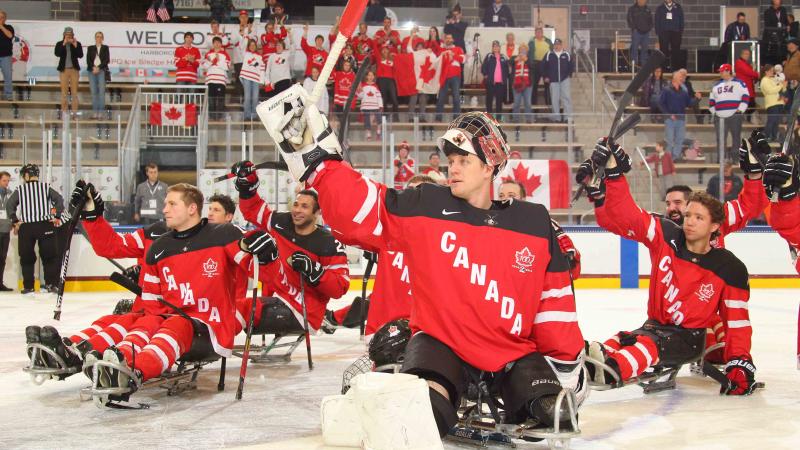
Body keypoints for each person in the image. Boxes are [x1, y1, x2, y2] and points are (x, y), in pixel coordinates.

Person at [259, 95, 587, 436]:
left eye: (464, 159)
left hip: (510, 351)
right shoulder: (427, 204)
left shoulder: (533, 221)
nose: (453, 168)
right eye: (451, 160)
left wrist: (562, 365)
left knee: (556, 416)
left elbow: (555, 304)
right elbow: (364, 206)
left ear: (489, 166)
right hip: (440, 344)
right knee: (422, 416)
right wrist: (321, 164)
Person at [578, 142, 757, 396]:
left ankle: (611, 368)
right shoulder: (666, 234)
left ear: (716, 225)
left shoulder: (729, 267)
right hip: (654, 325)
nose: (689, 222)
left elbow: (737, 322)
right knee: (625, 338)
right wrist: (613, 178)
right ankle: (590, 360)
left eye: (698, 218)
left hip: (688, 337)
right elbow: (627, 215)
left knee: (649, 347)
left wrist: (740, 362)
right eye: (688, 216)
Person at [96, 183, 276, 393]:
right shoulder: (158, 246)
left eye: (172, 204)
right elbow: (152, 304)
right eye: (165, 204)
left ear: (192, 209)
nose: (164, 210)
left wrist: (266, 255)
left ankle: (135, 370)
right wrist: (92, 218)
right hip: (174, 319)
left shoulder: (225, 234)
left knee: (176, 325)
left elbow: (259, 269)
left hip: (210, 325)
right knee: (143, 321)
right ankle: (119, 359)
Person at [232, 168, 350, 336]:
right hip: (279, 295)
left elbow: (340, 288)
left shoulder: (329, 242)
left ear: (317, 212)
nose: (297, 210)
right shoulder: (283, 222)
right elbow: (254, 211)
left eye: (304, 207)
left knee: (242, 309)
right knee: (234, 242)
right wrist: (247, 189)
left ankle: (211, 339)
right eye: (296, 204)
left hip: (304, 310)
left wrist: (315, 272)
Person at [4, 164, 65, 294]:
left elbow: (10, 205)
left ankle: (28, 287)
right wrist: (57, 216)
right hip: (45, 224)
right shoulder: (46, 187)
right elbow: (59, 200)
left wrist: (15, 220)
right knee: (49, 257)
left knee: (26, 257)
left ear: (26, 175)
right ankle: (51, 285)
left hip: (27, 227)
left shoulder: (20, 189)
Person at [709, 64, 749, 162]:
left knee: (736, 138)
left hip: (734, 115)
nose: (720, 73)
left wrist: (740, 109)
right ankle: (721, 159)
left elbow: (745, 96)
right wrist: (714, 112)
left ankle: (735, 159)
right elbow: (711, 100)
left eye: (722, 71)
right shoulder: (716, 85)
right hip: (719, 117)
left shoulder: (739, 83)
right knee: (720, 139)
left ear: (728, 71)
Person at [658, 72, 692, 161]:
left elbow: (689, 104)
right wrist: (669, 114)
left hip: (681, 118)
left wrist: (697, 99)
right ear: (675, 78)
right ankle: (668, 158)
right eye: (680, 77)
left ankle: (675, 158)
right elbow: (661, 103)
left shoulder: (684, 92)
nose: (682, 79)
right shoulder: (666, 90)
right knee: (669, 140)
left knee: (679, 140)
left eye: (682, 77)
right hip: (670, 119)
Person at [435, 33, 465, 122]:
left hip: (455, 76)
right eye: (446, 38)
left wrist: (453, 55)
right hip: (443, 76)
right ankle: (438, 118)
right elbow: (436, 61)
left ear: (453, 40)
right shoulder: (441, 50)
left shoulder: (458, 49)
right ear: (444, 40)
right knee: (441, 98)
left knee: (456, 97)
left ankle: (456, 119)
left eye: (450, 38)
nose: (448, 39)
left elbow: (463, 60)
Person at [542, 39, 573, 123]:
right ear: (553, 45)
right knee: (555, 99)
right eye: (555, 44)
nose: (557, 46)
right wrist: (546, 76)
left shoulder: (566, 54)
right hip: (553, 80)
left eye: (558, 44)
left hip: (564, 80)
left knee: (566, 98)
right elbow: (543, 66)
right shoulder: (549, 54)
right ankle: (557, 117)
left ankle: (567, 117)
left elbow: (571, 65)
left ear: (561, 45)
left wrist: (569, 74)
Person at [54, 27, 83, 117]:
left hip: (74, 70)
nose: (69, 36)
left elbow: (80, 55)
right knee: (64, 93)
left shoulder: (77, 43)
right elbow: (57, 53)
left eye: (70, 35)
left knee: (74, 94)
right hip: (64, 71)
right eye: (67, 34)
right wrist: (64, 44)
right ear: (64, 35)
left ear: (73, 35)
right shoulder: (59, 44)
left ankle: (74, 114)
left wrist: (75, 45)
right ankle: (65, 114)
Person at [202, 36, 231, 119]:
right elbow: (204, 66)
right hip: (210, 80)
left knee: (220, 99)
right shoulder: (208, 54)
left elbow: (227, 67)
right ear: (213, 44)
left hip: (220, 80)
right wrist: (211, 61)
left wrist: (218, 61)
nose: (217, 44)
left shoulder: (225, 54)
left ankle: (219, 117)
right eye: (215, 42)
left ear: (221, 44)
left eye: (218, 42)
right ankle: (211, 117)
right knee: (211, 100)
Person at [481, 40, 510, 121]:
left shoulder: (503, 57)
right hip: (491, 83)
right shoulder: (489, 56)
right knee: (489, 101)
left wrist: (505, 78)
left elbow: (507, 70)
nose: (496, 47)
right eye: (494, 46)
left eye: (497, 46)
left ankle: (498, 119)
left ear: (500, 47)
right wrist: (486, 76)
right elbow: (483, 67)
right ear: (492, 47)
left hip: (500, 83)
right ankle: (488, 118)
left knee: (499, 102)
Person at [231, 10, 256, 97]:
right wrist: (240, 33)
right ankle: (239, 98)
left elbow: (254, 41)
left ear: (247, 18)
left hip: (248, 59)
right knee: (239, 79)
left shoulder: (251, 29)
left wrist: (248, 32)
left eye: (245, 17)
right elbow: (233, 41)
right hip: (238, 59)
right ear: (239, 18)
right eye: (242, 17)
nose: (244, 19)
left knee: (248, 78)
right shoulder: (235, 29)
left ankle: (247, 97)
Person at [654, 0, 684, 71]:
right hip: (664, 32)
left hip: (675, 32)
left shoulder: (678, 7)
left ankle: (676, 69)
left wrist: (680, 31)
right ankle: (663, 69)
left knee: (676, 51)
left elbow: (681, 20)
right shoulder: (660, 8)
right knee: (663, 51)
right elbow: (657, 20)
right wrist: (658, 32)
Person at [86, 31, 109, 120]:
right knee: (94, 92)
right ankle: (95, 112)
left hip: (101, 70)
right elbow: (88, 60)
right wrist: (93, 68)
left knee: (101, 92)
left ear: (102, 38)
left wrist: (98, 67)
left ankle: (101, 113)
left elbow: (107, 60)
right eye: (97, 36)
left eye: (100, 36)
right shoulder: (90, 48)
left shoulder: (105, 48)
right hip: (92, 71)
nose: (98, 38)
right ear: (95, 38)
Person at [527, 27, 553, 107]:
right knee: (534, 85)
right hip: (535, 64)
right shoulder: (531, 41)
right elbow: (529, 54)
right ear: (535, 33)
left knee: (547, 85)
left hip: (546, 64)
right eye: (537, 32)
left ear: (542, 33)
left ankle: (549, 105)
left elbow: (552, 52)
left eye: (540, 32)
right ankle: (534, 107)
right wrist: (531, 64)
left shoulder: (548, 41)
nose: (538, 34)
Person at [239, 39, 264, 121]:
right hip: (246, 77)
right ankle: (246, 115)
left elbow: (262, 70)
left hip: (256, 79)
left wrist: (262, 81)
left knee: (255, 98)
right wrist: (245, 32)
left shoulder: (259, 57)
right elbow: (241, 45)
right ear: (248, 46)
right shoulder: (245, 54)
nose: (252, 47)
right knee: (247, 97)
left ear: (256, 46)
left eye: (254, 45)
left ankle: (254, 115)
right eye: (251, 45)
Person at [761, 64, 786, 141]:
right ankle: (767, 136)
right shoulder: (764, 80)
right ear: (766, 72)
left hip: (779, 102)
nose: (773, 72)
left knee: (777, 122)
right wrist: (781, 86)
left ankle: (774, 137)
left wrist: (783, 86)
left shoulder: (773, 79)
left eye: (773, 71)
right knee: (772, 120)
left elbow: (783, 89)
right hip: (772, 103)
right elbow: (770, 91)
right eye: (771, 71)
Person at [734, 48, 760, 122]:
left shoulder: (745, 63)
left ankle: (748, 120)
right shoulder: (739, 62)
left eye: (748, 54)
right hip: (745, 89)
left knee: (751, 107)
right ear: (741, 54)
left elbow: (750, 73)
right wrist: (757, 74)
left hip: (749, 89)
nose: (747, 55)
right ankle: (744, 121)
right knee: (747, 106)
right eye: (746, 54)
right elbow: (749, 72)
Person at [357, 70, 383, 141]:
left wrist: (380, 106)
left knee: (379, 120)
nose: (371, 77)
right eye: (369, 75)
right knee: (367, 121)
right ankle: (368, 135)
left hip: (375, 106)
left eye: (372, 75)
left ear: (374, 77)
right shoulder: (363, 85)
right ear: (366, 76)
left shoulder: (375, 86)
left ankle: (378, 133)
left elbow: (379, 96)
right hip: (366, 106)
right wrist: (358, 90)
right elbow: (360, 96)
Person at [627, 0, 653, 68]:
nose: (642, 1)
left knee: (645, 50)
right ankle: (634, 67)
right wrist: (634, 28)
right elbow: (629, 19)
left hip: (646, 33)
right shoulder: (632, 9)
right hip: (636, 33)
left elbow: (651, 20)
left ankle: (644, 67)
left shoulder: (648, 9)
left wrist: (649, 28)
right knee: (634, 49)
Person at [511, 44, 533, 125]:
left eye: (524, 49)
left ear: (527, 51)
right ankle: (515, 119)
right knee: (516, 102)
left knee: (527, 102)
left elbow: (533, 66)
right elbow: (509, 63)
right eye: (521, 49)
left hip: (527, 84)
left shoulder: (529, 58)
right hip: (516, 84)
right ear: (519, 50)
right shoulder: (514, 58)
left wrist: (526, 60)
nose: (523, 51)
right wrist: (515, 60)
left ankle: (528, 119)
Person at [375, 46, 399, 119]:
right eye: (383, 50)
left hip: (391, 80)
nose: (385, 51)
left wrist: (398, 51)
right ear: (381, 52)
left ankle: (396, 116)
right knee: (383, 98)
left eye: (386, 49)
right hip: (381, 80)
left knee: (394, 98)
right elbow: (375, 47)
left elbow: (400, 61)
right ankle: (385, 115)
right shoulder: (379, 58)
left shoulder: (392, 59)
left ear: (389, 51)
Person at [0, 171, 12, 291]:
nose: (7, 183)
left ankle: (0, 283)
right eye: (4, 180)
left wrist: (14, 224)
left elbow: (13, 210)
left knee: (2, 258)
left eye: (8, 181)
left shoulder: (10, 193)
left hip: (6, 230)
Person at [0, 10, 15, 101]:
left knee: (8, 76)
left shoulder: (9, 27)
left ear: (5, 19)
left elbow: (10, 36)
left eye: (1, 17)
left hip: (6, 56)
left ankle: (8, 95)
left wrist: (1, 27)